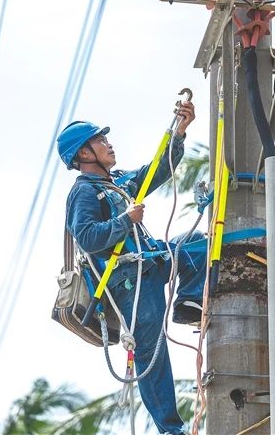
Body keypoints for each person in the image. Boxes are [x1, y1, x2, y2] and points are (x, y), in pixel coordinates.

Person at [56, 101, 205, 435]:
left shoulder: (119, 182)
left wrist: (178, 131)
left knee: (197, 244)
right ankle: (171, 430)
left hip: (151, 261)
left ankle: (187, 302)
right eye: (100, 141)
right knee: (152, 355)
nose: (109, 144)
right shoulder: (83, 192)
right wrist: (125, 220)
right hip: (129, 281)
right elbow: (88, 237)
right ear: (83, 153)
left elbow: (159, 169)